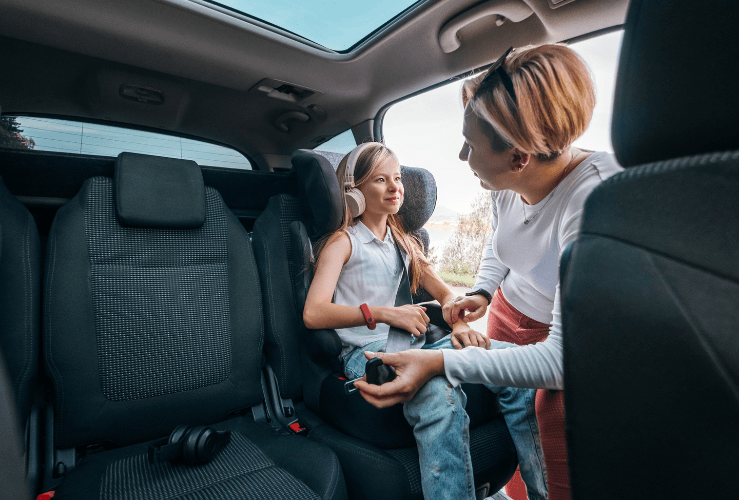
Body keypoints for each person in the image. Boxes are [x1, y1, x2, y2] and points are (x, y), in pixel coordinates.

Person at [354, 44, 624, 500]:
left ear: (520, 157)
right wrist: (481, 291)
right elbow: (501, 244)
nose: (462, 156)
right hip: (505, 318)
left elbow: (559, 362)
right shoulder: (505, 182)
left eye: (470, 145)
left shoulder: (593, 197)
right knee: (515, 465)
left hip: (559, 343)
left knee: (558, 471)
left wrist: (436, 360)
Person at [303, 141, 547, 500]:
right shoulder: (343, 242)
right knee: (438, 396)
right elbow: (314, 312)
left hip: (422, 345)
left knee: (516, 369)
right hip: (368, 354)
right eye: (380, 180)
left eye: (398, 178)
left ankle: (543, 492)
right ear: (353, 192)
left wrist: (459, 324)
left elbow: (447, 294)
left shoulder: (404, 243)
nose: (394, 187)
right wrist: (383, 313)